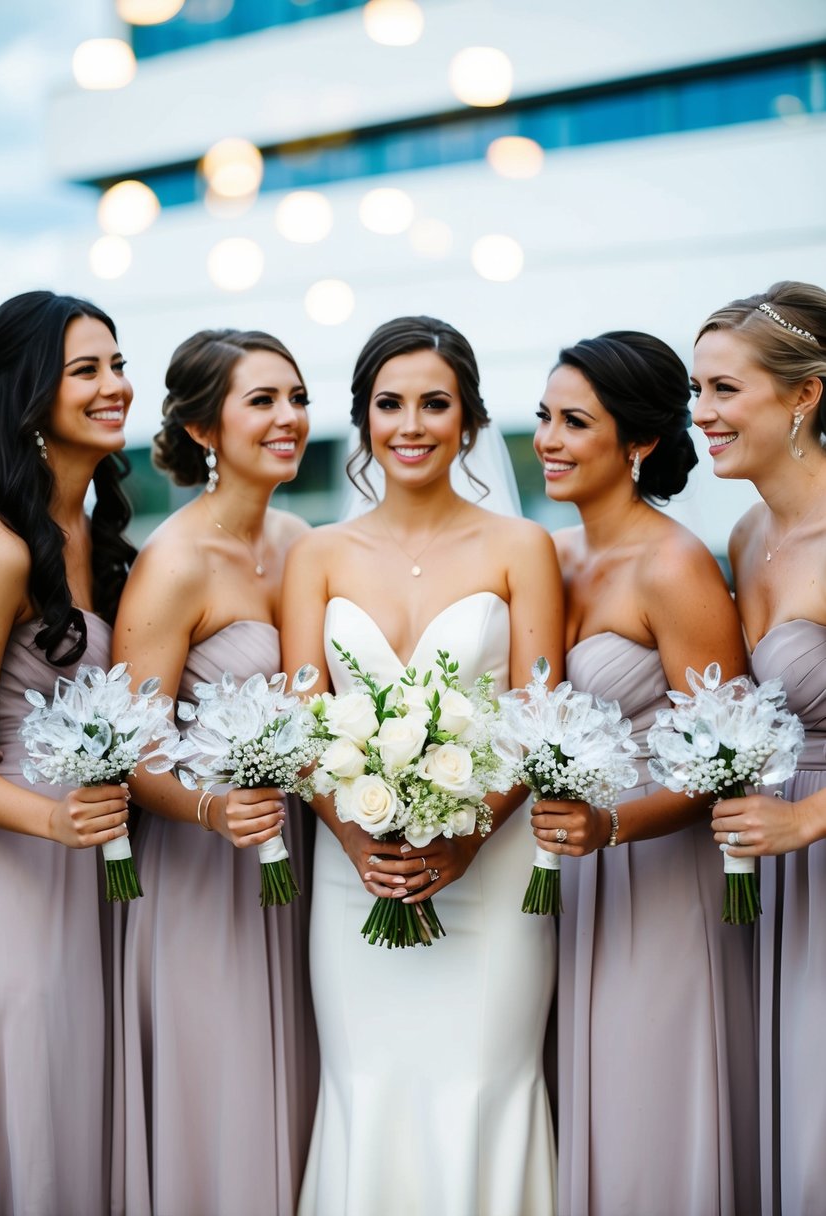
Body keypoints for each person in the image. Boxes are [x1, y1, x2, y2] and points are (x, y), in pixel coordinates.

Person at [281, 315, 564, 1216]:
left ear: (470, 420)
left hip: (493, 863)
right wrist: (355, 838)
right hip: (351, 870)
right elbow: (297, 723)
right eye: (388, 404)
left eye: (434, 404)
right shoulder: (316, 555)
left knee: (482, 1084)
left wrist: (471, 836)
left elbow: (535, 717)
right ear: (362, 418)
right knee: (367, 1083)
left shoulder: (523, 548)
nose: (410, 425)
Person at [531, 330, 759, 1216]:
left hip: (659, 876)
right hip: (568, 878)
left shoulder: (675, 566)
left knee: (648, 1117)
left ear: (637, 443)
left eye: (574, 421)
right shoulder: (550, 556)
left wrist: (613, 826)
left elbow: (730, 753)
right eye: (545, 416)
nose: (548, 438)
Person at [114, 329, 317, 1216]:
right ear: (203, 429)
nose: (288, 418)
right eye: (261, 401)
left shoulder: (305, 538)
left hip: (304, 861)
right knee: (224, 1097)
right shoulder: (172, 563)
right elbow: (129, 752)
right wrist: (211, 810)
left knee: (302, 1094)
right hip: (203, 874)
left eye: (296, 397)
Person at [0, 290, 135, 1215]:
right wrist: (52, 816)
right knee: (34, 1098)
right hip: (21, 872)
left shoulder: (114, 545)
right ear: (28, 395)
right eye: (85, 370)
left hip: (100, 871)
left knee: (86, 1098)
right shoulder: (5, 553)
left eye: (116, 365)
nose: (114, 386)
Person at [692, 282, 826, 1216]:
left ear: (802, 396)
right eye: (698, 391)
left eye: (724, 390)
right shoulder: (743, 535)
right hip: (771, 878)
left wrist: (808, 816)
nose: (700, 413)